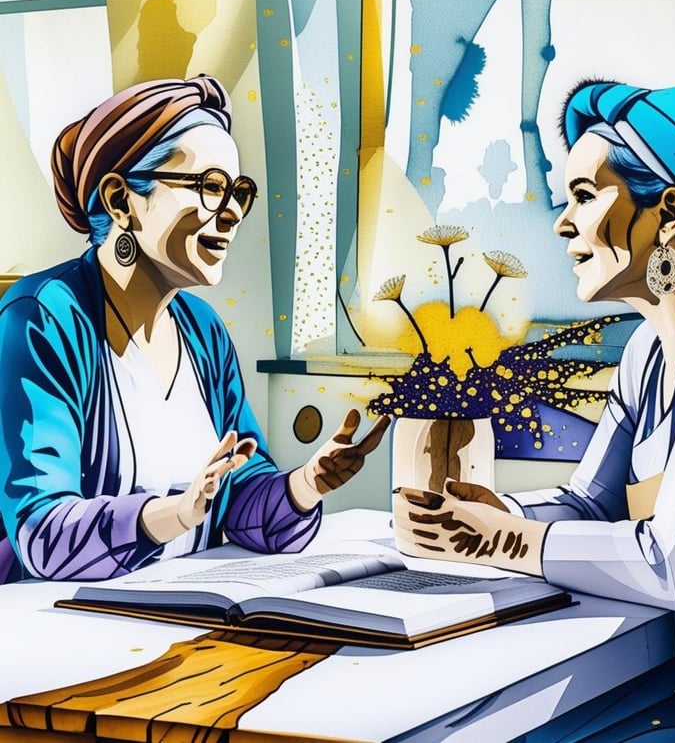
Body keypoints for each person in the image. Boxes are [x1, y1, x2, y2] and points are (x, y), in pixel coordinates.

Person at [394, 80, 675, 741]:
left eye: (586, 196)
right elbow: (589, 506)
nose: (562, 222)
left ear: (671, 212)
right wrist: (491, 511)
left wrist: (501, 540)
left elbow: (674, 566)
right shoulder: (650, 349)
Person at [0, 75, 389, 584]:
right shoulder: (43, 317)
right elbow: (42, 531)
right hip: (58, 624)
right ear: (121, 201)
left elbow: (241, 493)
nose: (231, 213)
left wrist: (304, 486)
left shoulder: (202, 332)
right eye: (209, 187)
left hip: (188, 609)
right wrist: (175, 514)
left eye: (238, 192)